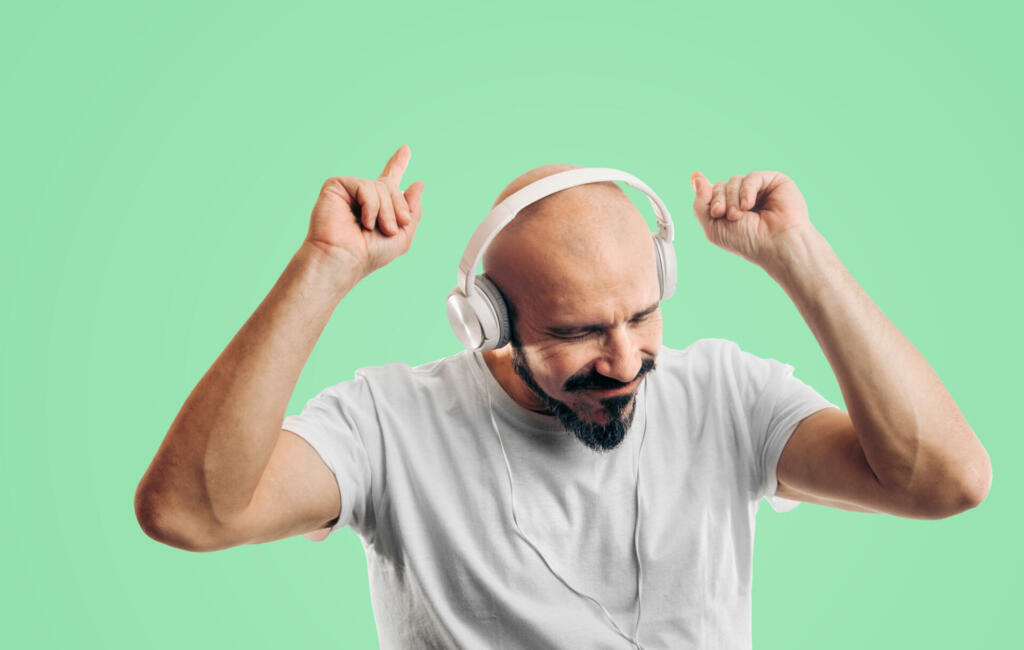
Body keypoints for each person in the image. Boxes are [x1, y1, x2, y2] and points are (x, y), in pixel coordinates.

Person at [135, 145, 992, 649]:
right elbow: (189, 512)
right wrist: (322, 272)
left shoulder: (727, 395)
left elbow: (944, 482)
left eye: (642, 316)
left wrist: (798, 256)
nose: (624, 361)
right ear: (487, 321)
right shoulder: (388, 426)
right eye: (579, 331)